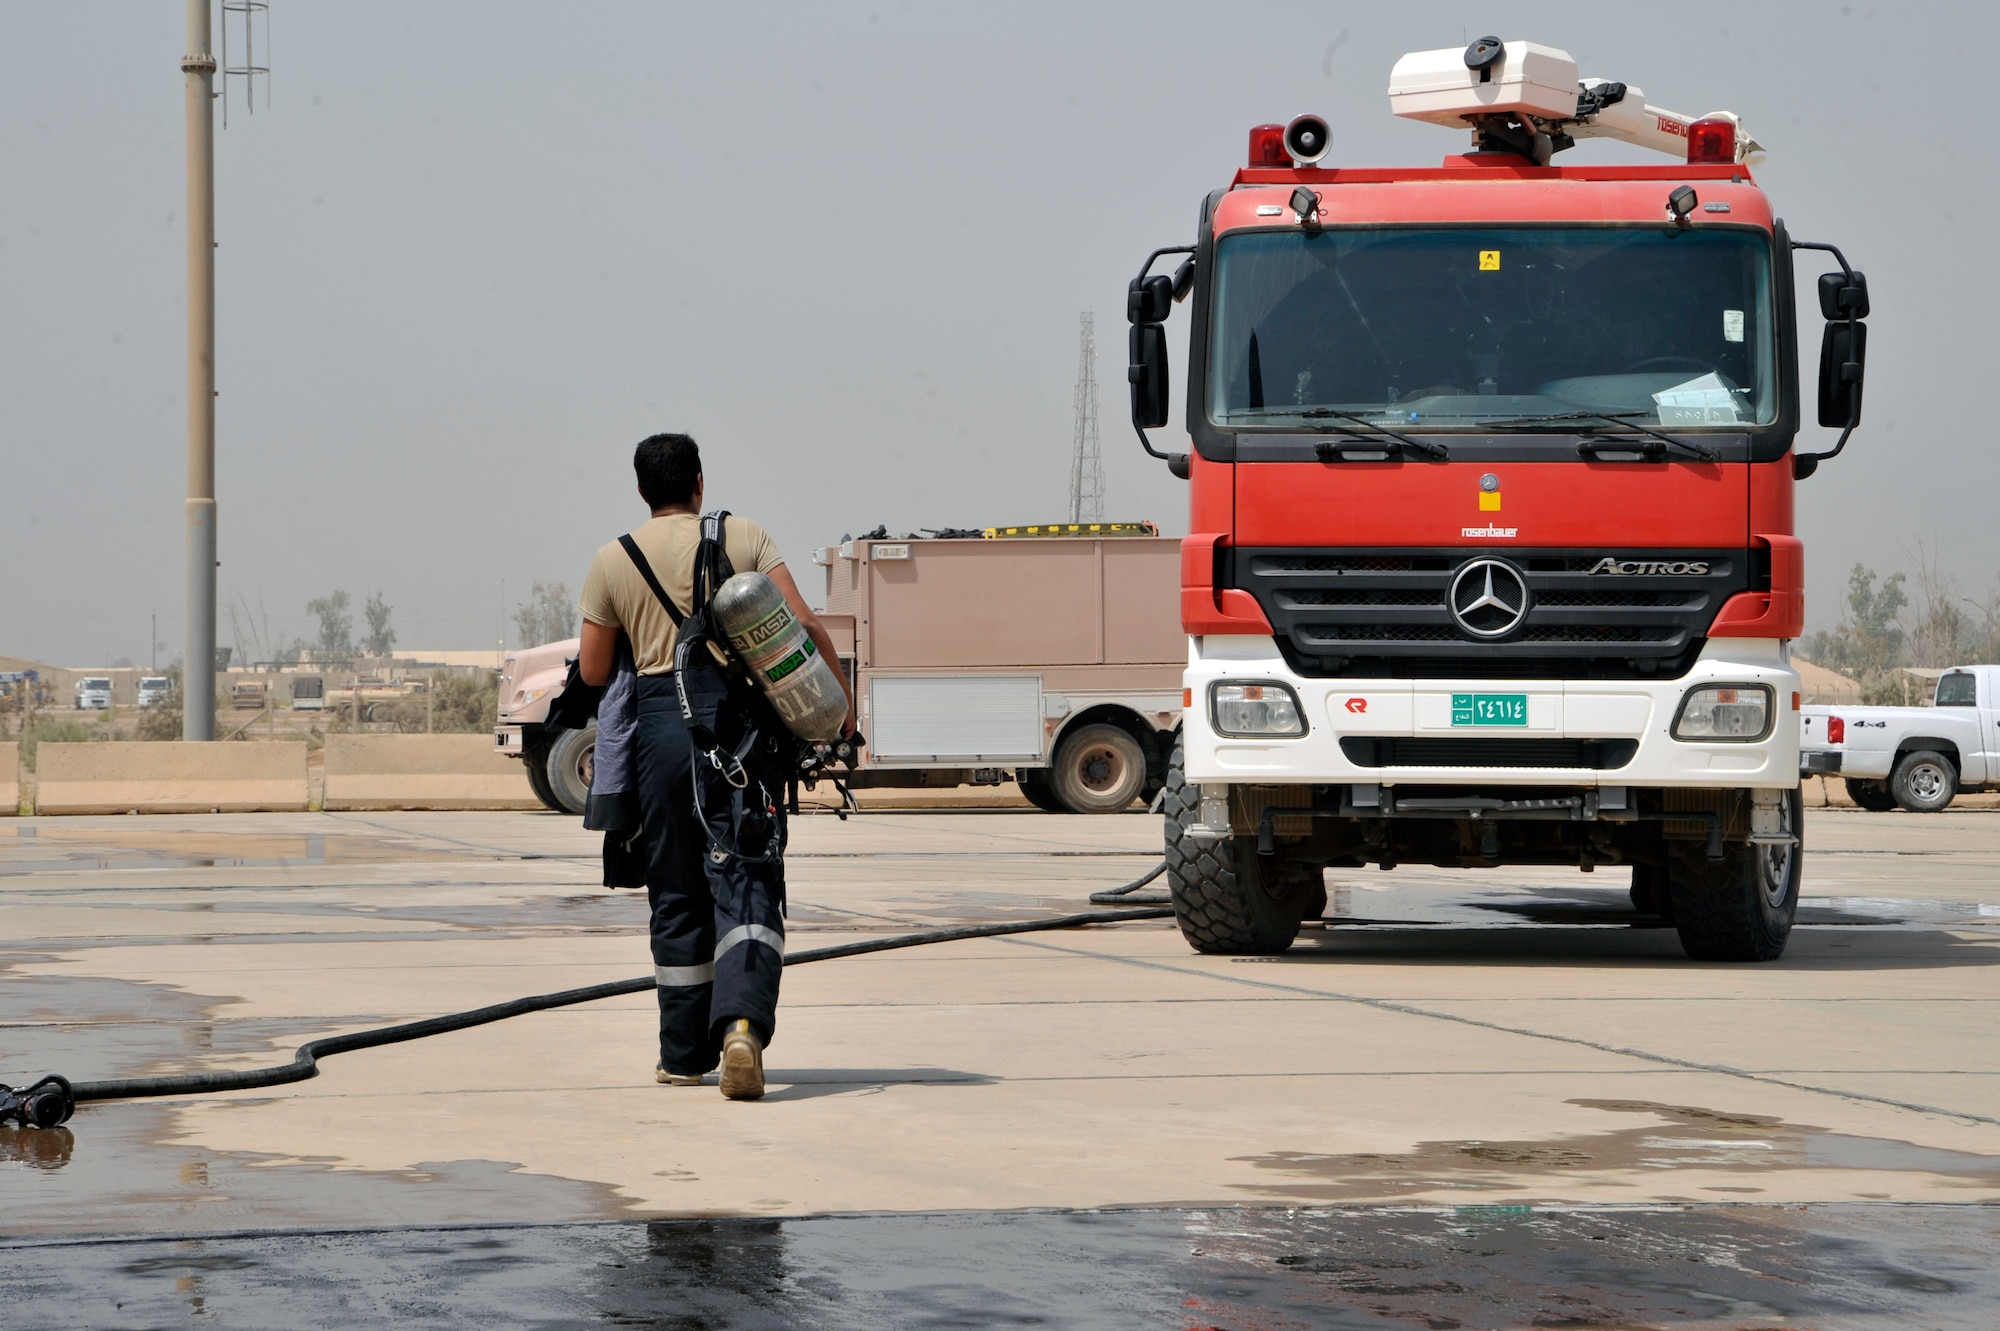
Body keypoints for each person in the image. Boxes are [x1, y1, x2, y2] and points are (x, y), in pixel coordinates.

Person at [576, 433, 853, 1100]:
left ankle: (681, 1055)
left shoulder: (612, 560)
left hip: (661, 739)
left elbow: (590, 669)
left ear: (642, 490)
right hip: (739, 736)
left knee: (676, 892)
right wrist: (838, 706)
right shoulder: (745, 537)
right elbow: (803, 626)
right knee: (748, 879)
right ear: (700, 480)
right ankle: (741, 1027)